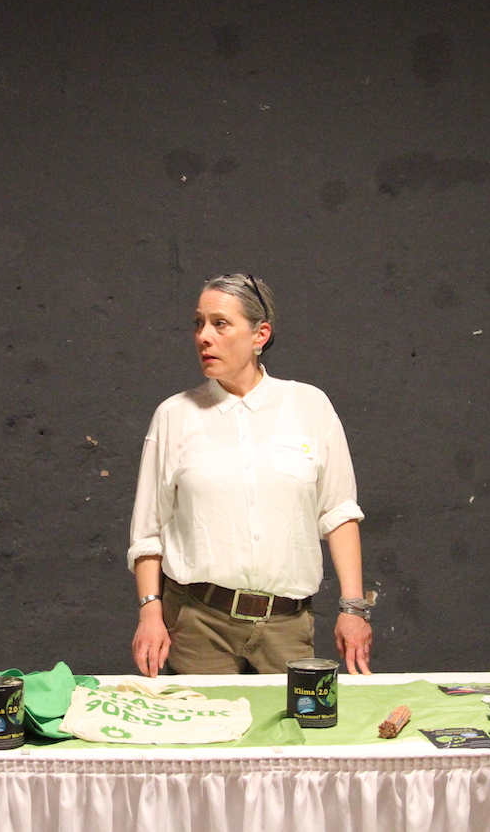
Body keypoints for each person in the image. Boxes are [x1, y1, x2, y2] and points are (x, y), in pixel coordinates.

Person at [128, 273, 373, 677]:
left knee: (296, 719)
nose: (204, 337)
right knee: (202, 719)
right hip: (199, 624)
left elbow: (338, 511)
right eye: (198, 323)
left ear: (260, 335)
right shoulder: (174, 415)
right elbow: (148, 529)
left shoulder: (309, 406)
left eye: (220, 324)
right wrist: (150, 612)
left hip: (287, 626)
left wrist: (353, 608)